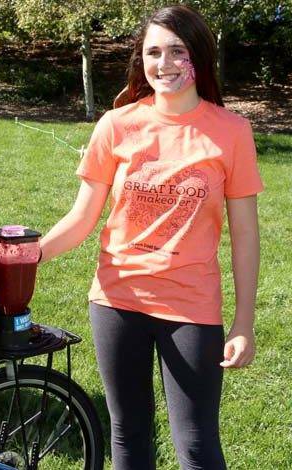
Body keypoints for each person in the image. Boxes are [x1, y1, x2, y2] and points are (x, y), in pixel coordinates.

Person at [38, 5, 262, 469]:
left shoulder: (232, 132)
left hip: (192, 306)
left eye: (178, 51)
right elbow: (82, 218)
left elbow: (244, 234)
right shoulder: (115, 126)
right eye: (154, 52)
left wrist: (243, 322)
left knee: (196, 444)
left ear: (199, 56)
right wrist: (26, 255)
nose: (164, 64)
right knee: (128, 435)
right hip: (117, 299)